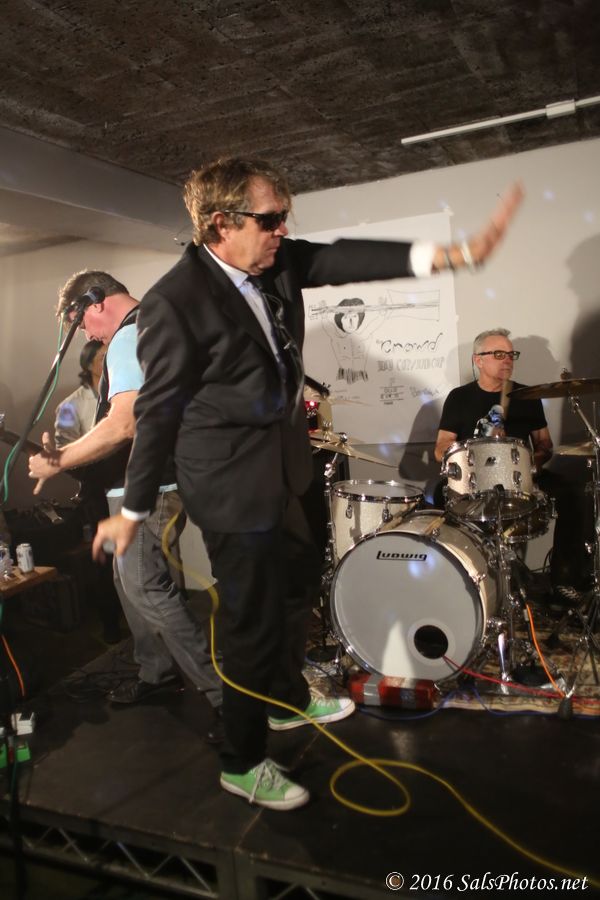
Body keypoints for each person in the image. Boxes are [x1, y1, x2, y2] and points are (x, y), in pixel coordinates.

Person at [92, 157, 523, 811]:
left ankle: (287, 698)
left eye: (283, 218)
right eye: (269, 220)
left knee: (297, 581)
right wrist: (133, 509)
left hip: (285, 464)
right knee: (251, 621)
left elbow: (345, 258)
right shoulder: (174, 304)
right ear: (220, 224)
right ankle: (241, 761)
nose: (282, 231)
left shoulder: (273, 260)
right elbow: (156, 415)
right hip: (229, 484)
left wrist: (452, 253)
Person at [28, 271, 223, 738]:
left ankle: (224, 698)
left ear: (95, 302)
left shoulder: (130, 335)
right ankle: (157, 672)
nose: (87, 335)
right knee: (131, 583)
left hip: (149, 488)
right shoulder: (158, 323)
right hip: (147, 484)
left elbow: (124, 424)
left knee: (146, 588)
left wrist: (59, 461)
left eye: (82, 323)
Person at [434, 327, 589, 602]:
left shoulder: (527, 396)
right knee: (438, 494)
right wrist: (463, 457)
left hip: (521, 479)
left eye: (510, 354)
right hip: (474, 481)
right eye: (498, 354)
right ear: (478, 360)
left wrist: (531, 464)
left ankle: (562, 581)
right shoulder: (459, 398)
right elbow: (440, 448)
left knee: (573, 495)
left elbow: (545, 445)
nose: (507, 359)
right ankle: (457, 581)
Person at [54, 340, 105, 447]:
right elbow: (64, 447)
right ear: (89, 365)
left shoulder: (120, 394)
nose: (109, 363)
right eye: (103, 358)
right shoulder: (69, 406)